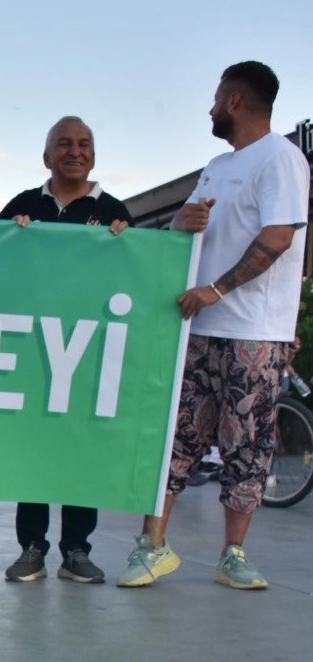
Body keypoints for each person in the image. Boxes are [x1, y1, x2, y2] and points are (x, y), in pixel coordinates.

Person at [118, 61, 308, 591]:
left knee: (245, 445)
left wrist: (216, 289)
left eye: (216, 96)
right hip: (199, 326)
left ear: (235, 101)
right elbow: (182, 225)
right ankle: (152, 546)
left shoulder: (282, 159)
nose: (209, 107)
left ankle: (234, 555)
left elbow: (278, 238)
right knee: (176, 437)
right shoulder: (217, 166)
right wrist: (183, 222)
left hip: (254, 331)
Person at [0, 117, 132, 585]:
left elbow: (131, 279)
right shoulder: (22, 207)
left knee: (81, 451)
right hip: (33, 354)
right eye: (64, 144)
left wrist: (126, 244)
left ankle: (76, 549)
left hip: (89, 355)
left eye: (84, 144)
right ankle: (31, 547)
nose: (75, 152)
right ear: (47, 157)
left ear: (93, 153)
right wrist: (9, 238)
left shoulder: (116, 212)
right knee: (35, 452)